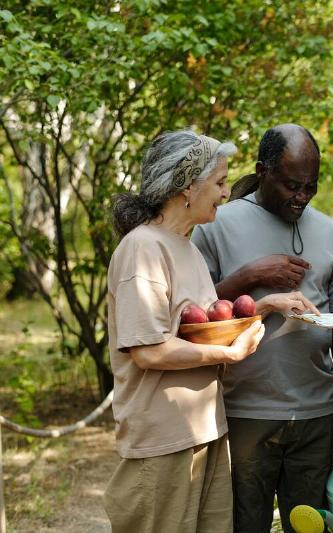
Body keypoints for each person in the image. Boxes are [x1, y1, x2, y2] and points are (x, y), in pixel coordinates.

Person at [191, 124, 333, 533]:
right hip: (242, 412)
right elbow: (192, 315)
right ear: (262, 171)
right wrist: (249, 275)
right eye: (291, 185)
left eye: (310, 186)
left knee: (311, 528)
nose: (301, 197)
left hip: (316, 415)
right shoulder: (216, 224)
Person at [104, 130, 272, 533]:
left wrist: (263, 308)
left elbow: (198, 328)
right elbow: (149, 351)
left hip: (205, 432)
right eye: (219, 182)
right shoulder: (142, 248)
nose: (226, 192)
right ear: (186, 187)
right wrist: (230, 355)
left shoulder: (188, 247)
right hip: (161, 443)